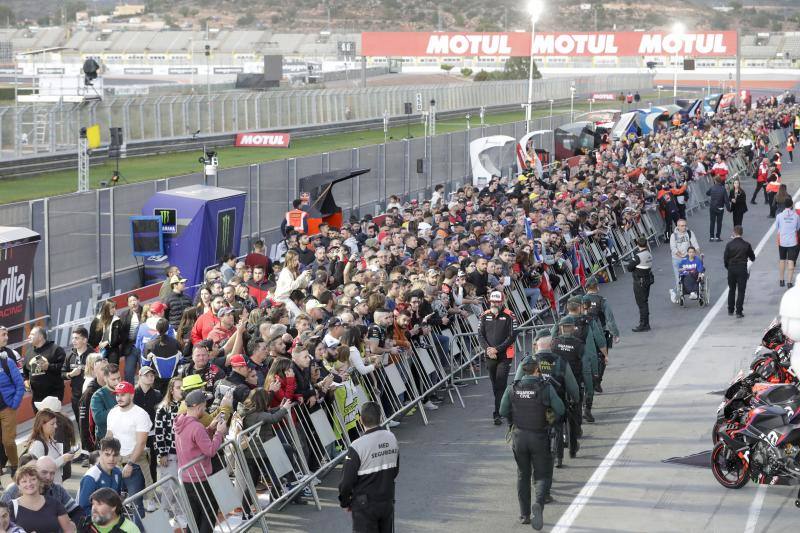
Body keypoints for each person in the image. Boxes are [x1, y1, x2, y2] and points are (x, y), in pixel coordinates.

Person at [499, 356, 564, 530]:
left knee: (522, 475)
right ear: (537, 370)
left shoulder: (512, 388)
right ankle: (539, 504)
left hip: (519, 437)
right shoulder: (545, 388)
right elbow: (561, 409)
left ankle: (524, 514)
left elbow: (502, 410)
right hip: (539, 436)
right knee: (541, 475)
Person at [338, 401, 399, 533]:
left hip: (364, 505)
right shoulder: (391, 438)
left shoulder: (357, 446)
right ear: (380, 418)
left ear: (361, 420)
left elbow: (346, 482)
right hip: (387, 499)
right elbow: (395, 470)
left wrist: (345, 502)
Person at [175, 389, 227, 533]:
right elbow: (210, 451)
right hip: (200, 478)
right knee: (208, 513)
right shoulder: (196, 427)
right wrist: (219, 433)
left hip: (186, 479)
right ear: (198, 407)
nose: (205, 410)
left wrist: (209, 428)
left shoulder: (180, 422)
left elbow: (194, 440)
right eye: (204, 407)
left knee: (193, 516)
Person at [105, 382, 153, 515]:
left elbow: (141, 443)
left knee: (136, 504)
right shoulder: (112, 413)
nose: (119, 398)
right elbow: (109, 436)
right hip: (115, 463)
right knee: (115, 503)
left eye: (123, 395)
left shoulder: (140, 414)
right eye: (117, 395)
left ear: (131, 395)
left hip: (135, 465)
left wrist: (130, 463)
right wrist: (103, 457)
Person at [478, 291, 518, 425]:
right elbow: (480, 335)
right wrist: (488, 349)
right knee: (495, 385)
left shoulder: (510, 315)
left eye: (497, 301)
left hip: (504, 355)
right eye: (492, 301)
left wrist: (497, 349)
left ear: (502, 302)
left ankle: (498, 413)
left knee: (501, 384)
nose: (495, 304)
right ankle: (507, 407)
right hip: (489, 355)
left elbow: (512, 336)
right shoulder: (484, 315)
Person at [9, 464, 74, 533]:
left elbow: (69, 530)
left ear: (39, 481)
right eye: (24, 481)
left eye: (33, 479)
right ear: (18, 486)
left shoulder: (54, 504)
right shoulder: (12, 507)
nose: (29, 484)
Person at [0, 326, 26, 477]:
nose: (6, 337)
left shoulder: (7, 361)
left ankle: (15, 466)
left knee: (8, 441)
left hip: (7, 408)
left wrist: (14, 404)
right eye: (3, 334)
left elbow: (20, 384)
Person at [25, 407, 74, 484]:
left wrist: (66, 458)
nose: (55, 426)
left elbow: (56, 463)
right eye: (52, 424)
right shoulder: (38, 444)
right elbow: (37, 469)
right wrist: (62, 459)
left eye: (55, 423)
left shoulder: (50, 440)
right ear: (42, 425)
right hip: (47, 490)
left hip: (56, 487)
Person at [78, 437, 124, 517]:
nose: (111, 459)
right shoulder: (91, 477)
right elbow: (83, 509)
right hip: (95, 522)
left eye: (115, 455)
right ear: (100, 453)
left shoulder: (118, 472)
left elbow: (116, 499)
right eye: (107, 454)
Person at [23, 326, 66, 408]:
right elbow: (25, 371)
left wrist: (48, 367)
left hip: (53, 394)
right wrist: (26, 381)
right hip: (36, 397)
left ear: (40, 337)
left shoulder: (56, 349)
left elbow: (63, 368)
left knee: (52, 419)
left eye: (32, 334)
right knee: (41, 420)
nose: (29, 336)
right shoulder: (29, 352)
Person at [133, 366, 162, 481]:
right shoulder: (132, 394)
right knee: (135, 462)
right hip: (136, 434)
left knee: (152, 463)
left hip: (151, 434)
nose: (150, 377)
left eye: (152, 375)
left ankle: (152, 489)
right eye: (147, 375)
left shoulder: (157, 394)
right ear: (139, 376)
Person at [724, 225, 756, 318]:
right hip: (742, 268)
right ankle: (739, 311)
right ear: (742, 233)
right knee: (741, 291)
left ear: (734, 233)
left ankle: (730, 309)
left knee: (732, 289)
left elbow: (725, 258)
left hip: (731, 268)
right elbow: (752, 257)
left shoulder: (729, 244)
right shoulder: (746, 244)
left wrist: (728, 267)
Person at [64, 327, 92, 431]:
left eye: (76, 338)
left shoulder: (93, 355)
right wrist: (70, 374)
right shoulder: (70, 356)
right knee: (80, 424)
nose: (73, 341)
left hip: (90, 396)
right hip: (76, 396)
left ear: (84, 340)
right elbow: (62, 373)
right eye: (73, 338)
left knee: (90, 424)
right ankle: (85, 445)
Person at [626, 237, 653, 332]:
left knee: (641, 304)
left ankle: (643, 324)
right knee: (644, 302)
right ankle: (646, 323)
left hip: (639, 281)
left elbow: (629, 267)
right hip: (647, 279)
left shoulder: (638, 256)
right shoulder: (649, 254)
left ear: (637, 244)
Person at [90, 363, 121, 444]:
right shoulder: (97, 396)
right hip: (108, 442)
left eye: (119, 378)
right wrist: (116, 410)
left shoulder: (126, 391)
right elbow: (98, 419)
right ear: (105, 379)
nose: (117, 382)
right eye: (113, 379)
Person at [117, 294, 143, 384]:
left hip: (143, 347)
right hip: (130, 347)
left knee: (144, 371)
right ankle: (129, 393)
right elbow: (119, 332)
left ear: (139, 300)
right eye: (130, 301)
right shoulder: (124, 315)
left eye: (134, 300)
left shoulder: (145, 312)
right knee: (128, 372)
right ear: (128, 304)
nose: (133, 303)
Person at [669, 219, 699, 291]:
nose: (684, 227)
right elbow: (673, 248)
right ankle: (675, 293)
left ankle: (692, 291)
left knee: (690, 275)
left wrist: (698, 253)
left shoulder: (689, 233)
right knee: (678, 279)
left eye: (685, 225)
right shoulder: (674, 235)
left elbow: (695, 245)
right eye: (682, 226)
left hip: (687, 259)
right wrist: (680, 255)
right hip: (677, 259)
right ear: (678, 226)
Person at [776, 197, 800, 288]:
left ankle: (781, 280)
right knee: (791, 262)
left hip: (782, 241)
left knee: (782, 260)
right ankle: (789, 282)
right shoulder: (796, 216)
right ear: (792, 205)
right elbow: (798, 228)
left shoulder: (779, 216)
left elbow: (777, 228)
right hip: (792, 242)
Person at [89, 300, 121, 364]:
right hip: (98, 349)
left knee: (113, 367)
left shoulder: (117, 320)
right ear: (106, 308)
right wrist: (98, 345)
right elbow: (91, 338)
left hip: (112, 349)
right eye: (112, 308)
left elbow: (119, 338)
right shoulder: (96, 320)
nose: (114, 310)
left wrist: (107, 342)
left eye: (115, 307)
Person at [706, 176, 730, 242]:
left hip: (712, 207)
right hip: (720, 208)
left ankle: (711, 237)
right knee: (719, 223)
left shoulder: (712, 187)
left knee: (712, 222)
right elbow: (726, 200)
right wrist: (728, 209)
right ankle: (717, 237)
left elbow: (707, 193)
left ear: (715, 181)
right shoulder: (723, 189)